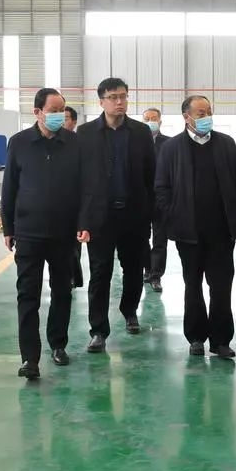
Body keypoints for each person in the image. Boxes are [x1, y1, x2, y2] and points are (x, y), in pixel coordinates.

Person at [155, 95, 236, 359]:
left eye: (209, 112)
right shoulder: (172, 148)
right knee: (192, 284)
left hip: (221, 231)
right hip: (188, 232)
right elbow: (161, 187)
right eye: (200, 113)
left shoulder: (226, 144)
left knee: (221, 286)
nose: (206, 117)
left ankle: (221, 340)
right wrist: (173, 215)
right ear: (186, 117)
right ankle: (196, 337)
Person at [0, 88, 82, 380]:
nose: (59, 115)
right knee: (28, 295)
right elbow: (9, 187)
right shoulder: (19, 143)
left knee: (62, 292)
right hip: (29, 232)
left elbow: (85, 187)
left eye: (62, 110)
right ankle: (29, 358)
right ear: (37, 112)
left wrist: (83, 223)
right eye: (54, 110)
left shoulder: (74, 143)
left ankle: (58, 345)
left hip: (64, 233)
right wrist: (8, 228)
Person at [77, 78, 156, 353]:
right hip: (100, 217)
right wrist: (82, 220)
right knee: (100, 272)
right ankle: (98, 330)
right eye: (113, 97)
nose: (119, 102)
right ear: (101, 101)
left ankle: (130, 310)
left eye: (123, 96)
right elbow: (79, 180)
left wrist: (150, 212)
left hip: (134, 214)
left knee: (133, 268)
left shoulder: (141, 132)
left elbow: (151, 175)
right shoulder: (85, 133)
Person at [142, 107, 170, 293]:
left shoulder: (169, 144)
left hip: (161, 199)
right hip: (142, 199)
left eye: (154, 118)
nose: (150, 122)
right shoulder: (136, 142)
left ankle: (156, 275)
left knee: (160, 239)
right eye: (147, 119)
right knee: (142, 238)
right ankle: (147, 269)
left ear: (160, 122)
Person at [63, 106, 84, 289]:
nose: (62, 121)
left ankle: (72, 276)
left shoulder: (79, 145)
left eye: (66, 117)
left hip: (75, 208)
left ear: (74, 122)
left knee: (73, 247)